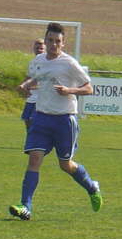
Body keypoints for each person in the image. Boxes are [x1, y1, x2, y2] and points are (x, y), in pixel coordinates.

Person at [9, 22, 103, 220]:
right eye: (50, 40)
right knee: (34, 158)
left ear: (63, 43)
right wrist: (26, 85)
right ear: (45, 40)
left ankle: (91, 186)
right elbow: (37, 78)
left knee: (65, 164)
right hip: (41, 117)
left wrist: (70, 91)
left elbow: (89, 88)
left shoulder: (69, 63)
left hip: (64, 120)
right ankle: (25, 206)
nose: (53, 44)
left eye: (57, 41)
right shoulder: (39, 60)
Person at [20, 38, 46, 130]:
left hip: (41, 98)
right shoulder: (32, 62)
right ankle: (30, 142)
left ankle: (38, 142)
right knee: (27, 119)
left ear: (45, 49)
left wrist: (32, 86)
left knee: (35, 121)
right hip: (31, 97)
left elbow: (46, 81)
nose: (39, 50)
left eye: (41, 48)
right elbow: (28, 77)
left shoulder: (47, 63)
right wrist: (22, 86)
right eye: (37, 48)